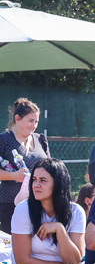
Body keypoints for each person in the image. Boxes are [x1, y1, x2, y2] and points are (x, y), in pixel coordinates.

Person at [0, 98, 49, 233]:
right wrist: (14, 175)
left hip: (39, 202)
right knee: (10, 246)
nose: (34, 125)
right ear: (17, 118)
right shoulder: (3, 140)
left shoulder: (40, 140)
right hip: (10, 204)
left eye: (36, 122)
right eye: (30, 121)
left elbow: (50, 167)